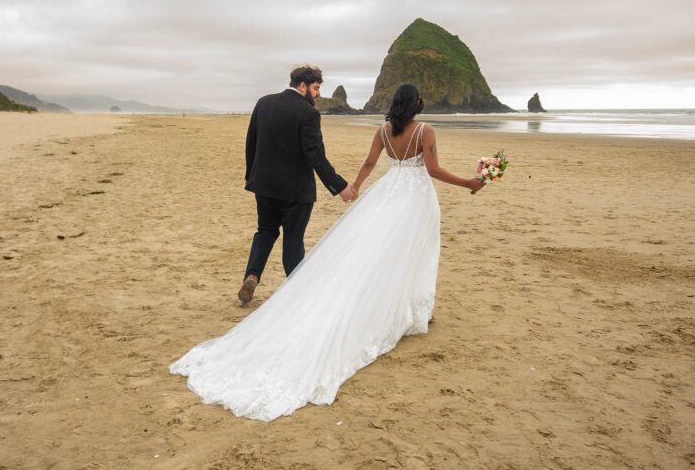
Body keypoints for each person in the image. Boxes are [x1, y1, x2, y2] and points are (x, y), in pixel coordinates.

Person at [170, 83, 485, 421]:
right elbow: (433, 170)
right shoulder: (425, 130)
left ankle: (399, 306)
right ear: (417, 104)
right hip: (415, 198)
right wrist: (471, 182)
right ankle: (407, 310)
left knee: (381, 252)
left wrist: (357, 188)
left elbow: (368, 162)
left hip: (387, 193)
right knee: (412, 252)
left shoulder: (383, 130)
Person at [237, 64, 356, 304]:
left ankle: (252, 275)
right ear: (302, 86)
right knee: (293, 239)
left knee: (266, 231)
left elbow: (251, 142)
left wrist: (252, 176)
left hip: (264, 184)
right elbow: (315, 155)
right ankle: (297, 293)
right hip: (296, 190)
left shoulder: (263, 103)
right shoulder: (308, 113)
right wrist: (339, 186)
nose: (318, 93)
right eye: (316, 88)